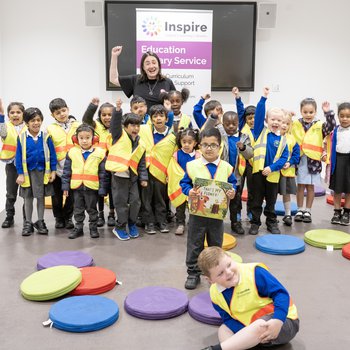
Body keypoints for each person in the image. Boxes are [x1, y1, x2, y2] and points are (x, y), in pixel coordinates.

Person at [197, 246, 299, 350]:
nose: (228, 272)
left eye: (229, 265)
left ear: (230, 257)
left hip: (282, 322)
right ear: (210, 280)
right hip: (254, 330)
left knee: (260, 325)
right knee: (224, 329)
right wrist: (246, 332)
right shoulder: (215, 294)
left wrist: (278, 320)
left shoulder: (254, 273)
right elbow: (228, 319)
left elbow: (281, 294)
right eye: (220, 273)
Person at [180, 128, 236, 290]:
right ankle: (193, 272)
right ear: (199, 146)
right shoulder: (192, 165)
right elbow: (184, 183)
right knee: (194, 243)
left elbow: (232, 184)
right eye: (205, 145)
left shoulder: (226, 167)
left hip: (217, 215)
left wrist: (232, 192)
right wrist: (188, 191)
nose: (209, 148)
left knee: (215, 244)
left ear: (220, 147)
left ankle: (217, 273)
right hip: (197, 213)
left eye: (213, 145)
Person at [202, 111, 253, 235]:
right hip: (220, 175)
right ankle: (215, 223)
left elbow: (250, 154)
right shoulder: (219, 134)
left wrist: (243, 148)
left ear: (238, 124)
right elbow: (205, 131)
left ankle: (235, 222)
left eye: (234, 124)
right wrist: (213, 118)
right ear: (223, 123)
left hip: (236, 176)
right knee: (216, 200)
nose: (231, 126)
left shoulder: (244, 136)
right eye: (227, 124)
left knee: (236, 201)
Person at [105, 100, 148, 240]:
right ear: (125, 126)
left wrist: (143, 178)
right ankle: (120, 227)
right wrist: (117, 110)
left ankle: (132, 223)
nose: (135, 128)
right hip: (119, 177)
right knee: (121, 204)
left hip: (133, 178)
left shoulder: (141, 144)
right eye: (132, 125)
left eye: (138, 125)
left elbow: (141, 163)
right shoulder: (118, 135)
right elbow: (114, 125)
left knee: (136, 202)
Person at [249, 87, 289, 235]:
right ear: (266, 120)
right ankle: (255, 223)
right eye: (272, 119)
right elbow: (259, 113)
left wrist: (271, 168)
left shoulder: (283, 140)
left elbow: (284, 158)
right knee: (256, 200)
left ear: (283, 122)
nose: (276, 122)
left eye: (279, 120)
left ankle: (271, 223)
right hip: (258, 174)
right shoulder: (260, 131)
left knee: (271, 202)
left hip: (272, 175)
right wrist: (263, 98)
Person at [292, 99, 336, 223]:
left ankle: (308, 211)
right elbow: (286, 127)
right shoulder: (296, 124)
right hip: (300, 160)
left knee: (310, 187)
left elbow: (331, 126)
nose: (308, 114)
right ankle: (300, 209)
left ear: (315, 112)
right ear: (301, 111)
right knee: (300, 186)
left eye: (311, 112)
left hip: (313, 162)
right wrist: (289, 115)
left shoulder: (319, 125)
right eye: (305, 112)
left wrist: (328, 113)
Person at [61, 124, 108, 239]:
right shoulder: (72, 152)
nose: (84, 141)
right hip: (77, 188)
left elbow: (103, 174)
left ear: (94, 138)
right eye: (81, 138)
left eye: (87, 137)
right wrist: (65, 187)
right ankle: (78, 228)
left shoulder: (100, 153)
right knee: (78, 209)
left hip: (92, 188)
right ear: (77, 139)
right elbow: (66, 172)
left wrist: (103, 189)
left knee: (92, 209)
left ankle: (93, 227)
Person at [15, 107, 57, 236]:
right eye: (33, 120)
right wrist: (20, 173)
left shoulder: (46, 137)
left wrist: (53, 171)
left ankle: (40, 221)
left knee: (40, 198)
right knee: (28, 199)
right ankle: (28, 223)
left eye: (38, 120)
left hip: (42, 173)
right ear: (27, 122)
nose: (36, 123)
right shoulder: (22, 138)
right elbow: (18, 156)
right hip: (27, 174)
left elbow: (52, 155)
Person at [138, 102, 175, 234]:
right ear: (150, 118)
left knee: (161, 199)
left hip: (162, 173)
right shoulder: (144, 132)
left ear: (166, 118)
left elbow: (173, 158)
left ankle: (162, 221)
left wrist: (170, 174)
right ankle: (149, 223)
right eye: (155, 116)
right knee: (146, 199)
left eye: (161, 115)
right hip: (146, 171)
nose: (158, 118)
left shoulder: (173, 137)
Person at [109, 46, 176, 111]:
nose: (151, 66)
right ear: (143, 67)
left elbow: (175, 105)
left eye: (154, 63)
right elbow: (114, 79)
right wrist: (114, 56)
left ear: (158, 65)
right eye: (147, 64)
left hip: (159, 121)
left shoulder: (167, 82)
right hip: (139, 121)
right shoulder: (135, 80)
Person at [82, 97, 115, 227]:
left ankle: (112, 213)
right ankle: (100, 214)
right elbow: (86, 119)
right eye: (104, 115)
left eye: (110, 115)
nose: (107, 117)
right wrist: (92, 106)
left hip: (113, 164)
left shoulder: (118, 126)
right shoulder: (95, 126)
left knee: (112, 190)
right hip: (98, 164)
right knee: (100, 190)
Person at [47, 98, 80, 230]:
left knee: (72, 196)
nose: (61, 114)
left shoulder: (78, 125)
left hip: (74, 167)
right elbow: (47, 150)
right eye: (57, 112)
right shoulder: (50, 128)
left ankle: (68, 217)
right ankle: (58, 218)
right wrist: (50, 169)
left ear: (68, 109)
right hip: (57, 168)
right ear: (52, 115)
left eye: (63, 110)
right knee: (56, 196)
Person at [167, 127, 200, 235]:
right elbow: (172, 168)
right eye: (184, 142)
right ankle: (180, 224)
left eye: (189, 142)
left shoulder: (199, 156)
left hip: (193, 187)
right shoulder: (176, 155)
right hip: (180, 186)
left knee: (193, 205)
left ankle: (193, 223)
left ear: (195, 143)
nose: (186, 145)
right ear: (180, 142)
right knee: (180, 207)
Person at [0, 99, 26, 228]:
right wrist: (1, 115)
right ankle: (9, 216)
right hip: (11, 165)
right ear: (8, 114)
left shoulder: (29, 126)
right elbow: (2, 132)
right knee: (11, 193)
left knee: (26, 193)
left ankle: (27, 219)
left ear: (23, 114)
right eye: (12, 112)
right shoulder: (5, 127)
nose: (15, 115)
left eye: (18, 112)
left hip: (27, 165)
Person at [232, 86, 256, 222]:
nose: (252, 120)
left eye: (254, 118)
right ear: (245, 119)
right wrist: (237, 97)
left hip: (253, 165)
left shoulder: (260, 129)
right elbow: (240, 111)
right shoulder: (242, 127)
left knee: (252, 190)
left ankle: (251, 212)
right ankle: (237, 212)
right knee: (238, 189)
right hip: (240, 164)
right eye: (249, 118)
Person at [328, 102, 350, 225]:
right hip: (338, 161)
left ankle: (347, 212)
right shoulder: (336, 129)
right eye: (342, 116)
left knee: (348, 189)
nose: (345, 118)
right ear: (338, 116)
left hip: (349, 161)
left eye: (348, 116)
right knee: (337, 189)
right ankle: (337, 211)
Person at [278, 110, 300, 226]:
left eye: (287, 123)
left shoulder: (292, 139)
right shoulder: (272, 136)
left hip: (287, 172)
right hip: (273, 172)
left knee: (286, 193)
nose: (284, 125)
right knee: (271, 194)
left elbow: (296, 156)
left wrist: (290, 162)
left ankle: (287, 214)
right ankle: (270, 214)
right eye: (282, 122)